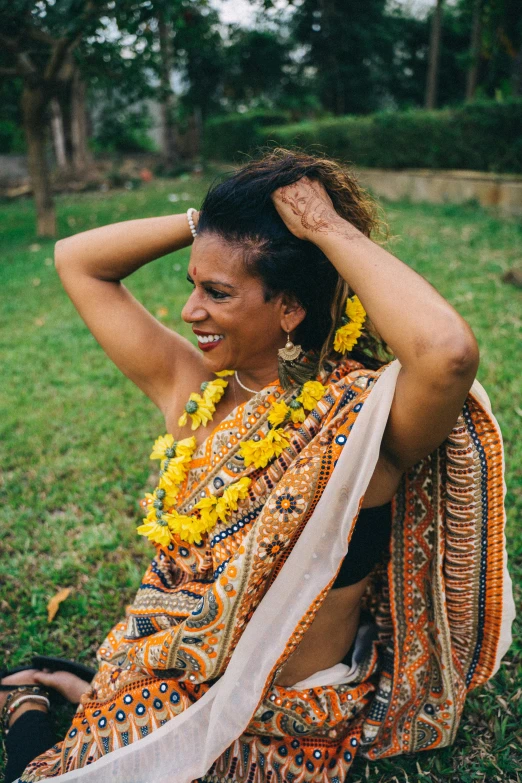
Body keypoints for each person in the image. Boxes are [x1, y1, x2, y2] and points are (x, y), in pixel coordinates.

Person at [2, 148, 514, 783]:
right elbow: (77, 261)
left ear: (290, 308)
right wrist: (216, 223)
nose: (191, 312)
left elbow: (448, 352)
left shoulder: (362, 423)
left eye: (216, 292)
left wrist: (325, 228)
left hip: (285, 717)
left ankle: (39, 699)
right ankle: (42, 701)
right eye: (192, 285)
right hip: (172, 673)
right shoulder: (194, 388)